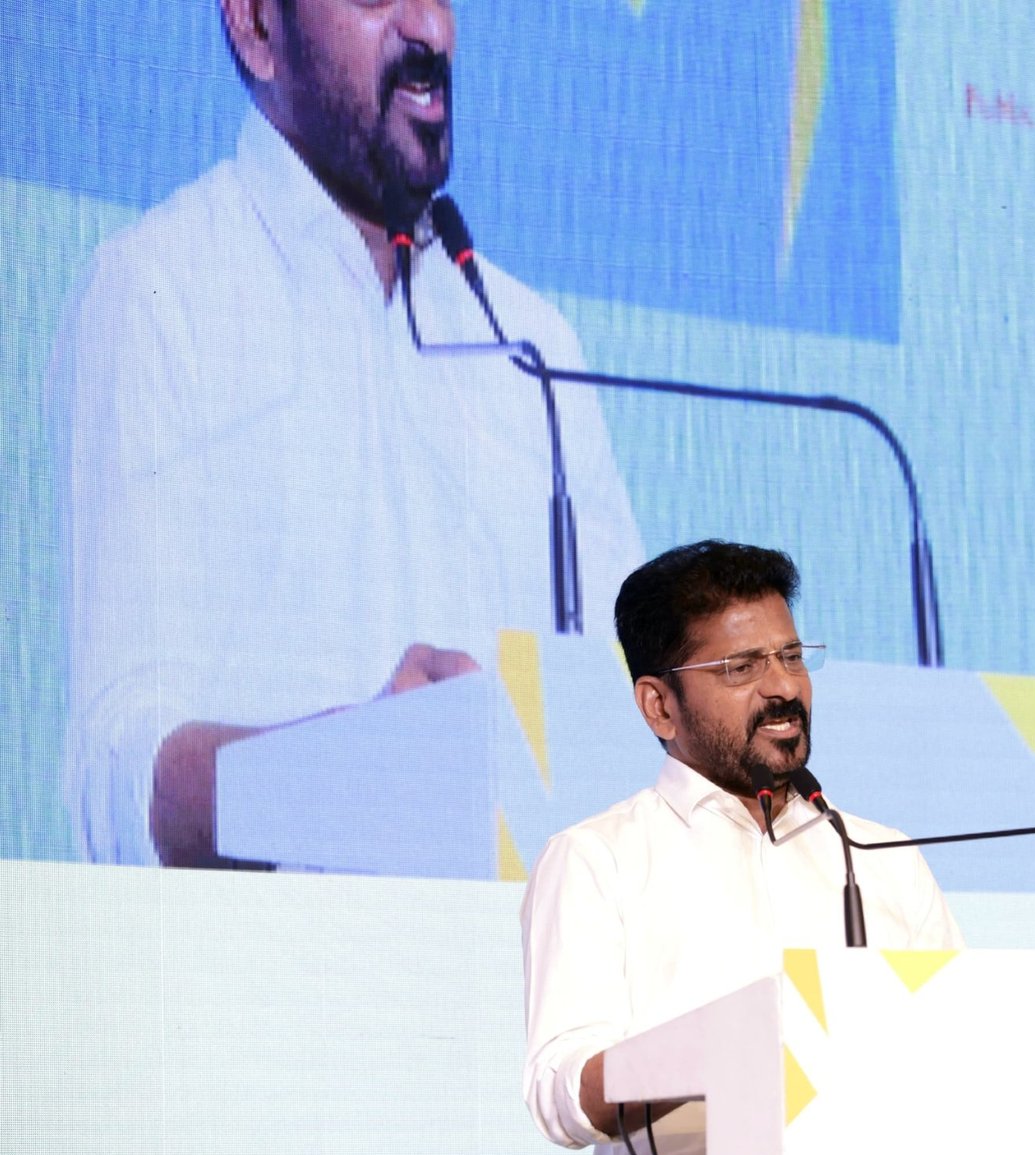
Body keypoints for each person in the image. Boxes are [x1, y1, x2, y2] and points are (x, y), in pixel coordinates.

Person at [50, 0, 642, 867]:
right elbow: (117, 779)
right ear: (256, 26)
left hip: (516, 951)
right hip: (278, 951)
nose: (430, 29)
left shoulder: (533, 348)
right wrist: (337, 776)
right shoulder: (157, 293)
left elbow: (637, 725)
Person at [522, 540, 963, 1155]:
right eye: (740, 666)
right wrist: (712, 1048)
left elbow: (958, 1058)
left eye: (792, 656)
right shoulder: (598, 860)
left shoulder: (881, 858)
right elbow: (559, 1087)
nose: (783, 687)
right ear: (659, 703)